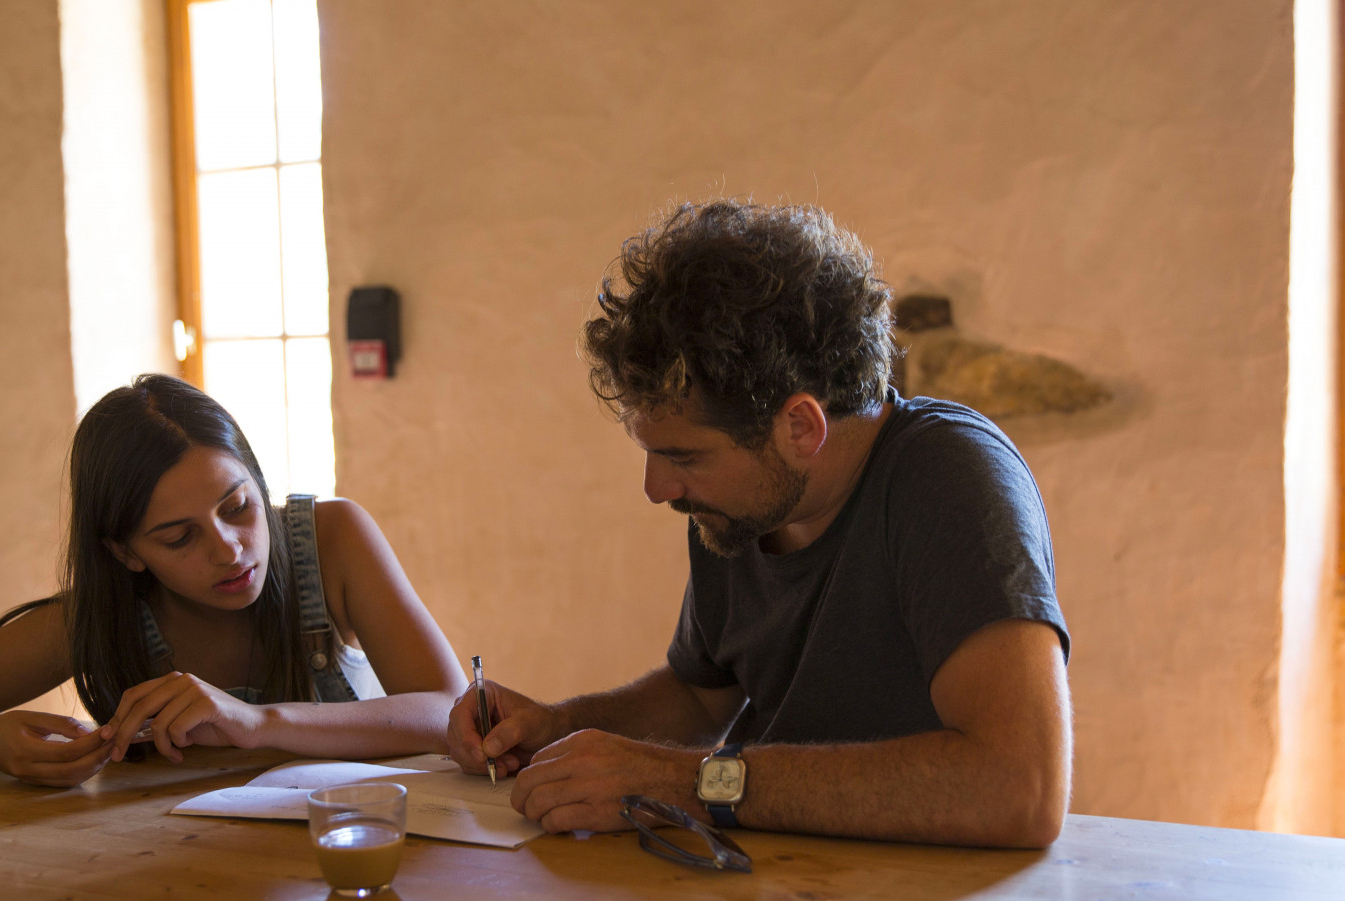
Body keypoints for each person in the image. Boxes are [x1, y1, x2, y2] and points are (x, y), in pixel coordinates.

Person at [448, 201, 1072, 849]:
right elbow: (700, 698)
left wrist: (689, 782)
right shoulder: (740, 504)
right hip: (779, 893)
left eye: (684, 457)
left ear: (800, 427)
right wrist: (555, 726)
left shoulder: (949, 475)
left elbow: (1017, 788)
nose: (658, 490)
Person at [0, 374, 467, 786]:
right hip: (183, 885)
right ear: (125, 553)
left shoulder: (330, 539)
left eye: (238, 506)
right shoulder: (107, 614)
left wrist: (255, 720)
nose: (229, 549)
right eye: (178, 537)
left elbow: (448, 709)